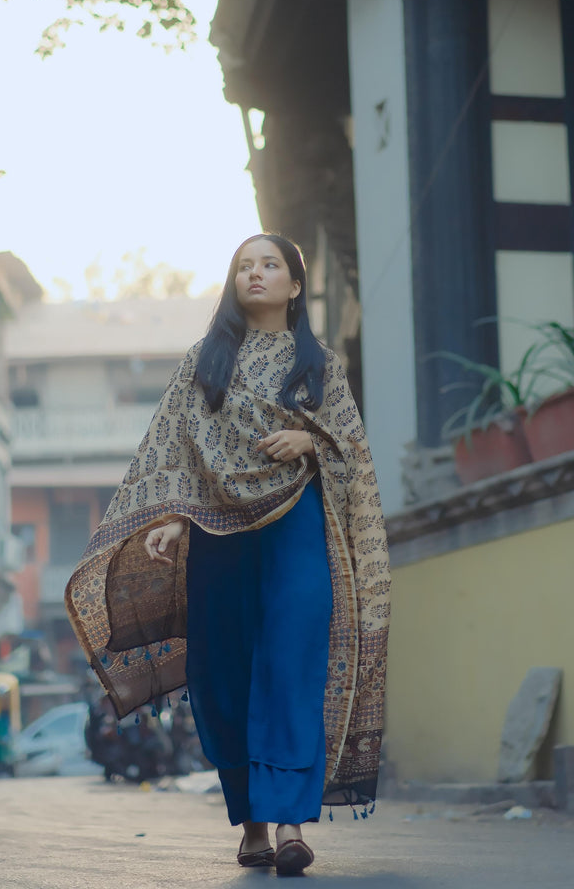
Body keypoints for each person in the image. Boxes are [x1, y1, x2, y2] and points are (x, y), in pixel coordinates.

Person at [66, 235, 391, 875]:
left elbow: (352, 454)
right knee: (224, 676)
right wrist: (171, 519)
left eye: (270, 264)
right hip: (217, 539)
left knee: (292, 665)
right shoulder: (204, 363)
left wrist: (309, 438)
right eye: (245, 265)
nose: (256, 273)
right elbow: (173, 452)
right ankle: (252, 823)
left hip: (297, 527)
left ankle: (293, 824)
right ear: (232, 283)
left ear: (295, 285)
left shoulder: (319, 364)